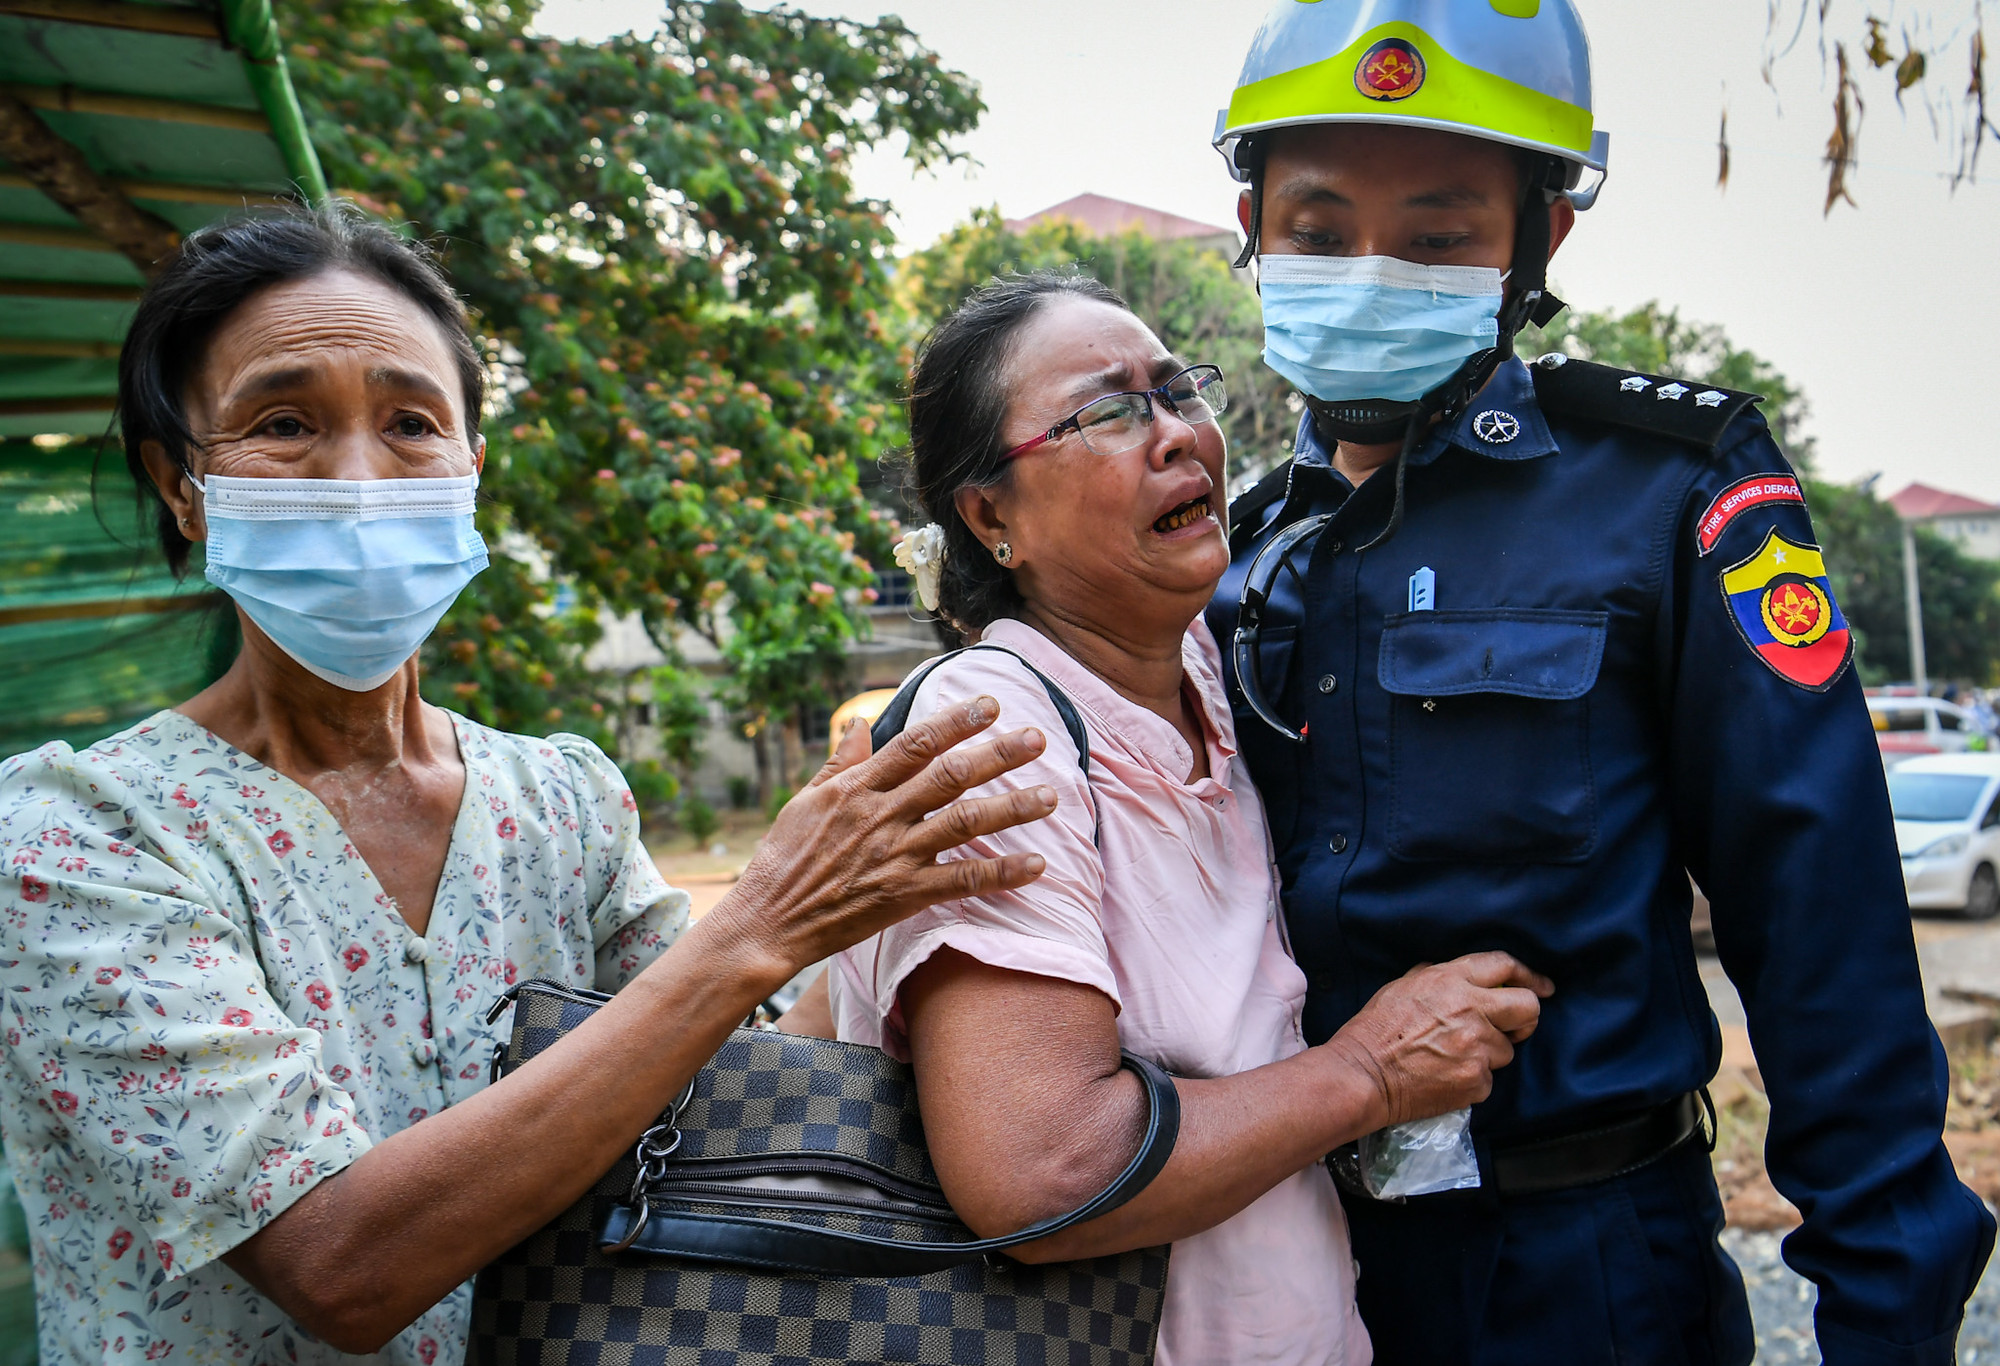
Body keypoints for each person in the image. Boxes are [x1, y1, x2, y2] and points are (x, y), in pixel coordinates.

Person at [0, 205, 1064, 1366]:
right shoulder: (79, 837)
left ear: (470, 468)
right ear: (182, 484)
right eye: (284, 422)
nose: (358, 476)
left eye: (411, 423)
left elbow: (716, 1091)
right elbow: (340, 1266)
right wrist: (762, 921)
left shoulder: (561, 802)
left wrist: (872, 912)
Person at [1204, 3, 1994, 1363]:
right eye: (1320, 234)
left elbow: (1822, 935)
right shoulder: (1229, 553)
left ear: (1541, 239)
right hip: (1267, 1256)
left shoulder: (1664, 493)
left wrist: (1886, 1322)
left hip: (1579, 1267)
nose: (1370, 272)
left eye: (1437, 238)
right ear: (1253, 227)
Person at [823, 271, 1553, 1365]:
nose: (1176, 434)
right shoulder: (993, 736)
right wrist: (1370, 1074)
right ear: (990, 517)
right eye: (1109, 412)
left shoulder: (1207, 669)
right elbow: (1044, 1171)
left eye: (1176, 390)